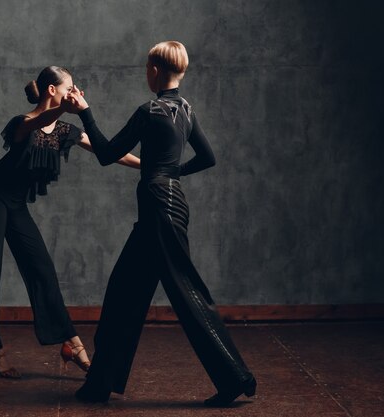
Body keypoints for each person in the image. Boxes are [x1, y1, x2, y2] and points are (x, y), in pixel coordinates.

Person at [63, 42, 256, 405]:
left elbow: (107, 154)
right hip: (171, 202)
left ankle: (235, 378)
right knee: (124, 291)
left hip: (156, 205)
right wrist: (169, 174)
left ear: (153, 70)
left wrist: (85, 112)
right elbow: (208, 158)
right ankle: (99, 383)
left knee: (187, 294)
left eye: (146, 68)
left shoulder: (150, 109)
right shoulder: (185, 109)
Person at [0, 66, 140, 378]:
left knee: (42, 270)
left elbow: (109, 151)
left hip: (16, 204)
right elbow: (41, 120)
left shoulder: (64, 131)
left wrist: (149, 165)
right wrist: (65, 108)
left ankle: (71, 343)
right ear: (51, 91)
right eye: (69, 87)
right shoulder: (25, 123)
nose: (75, 92)